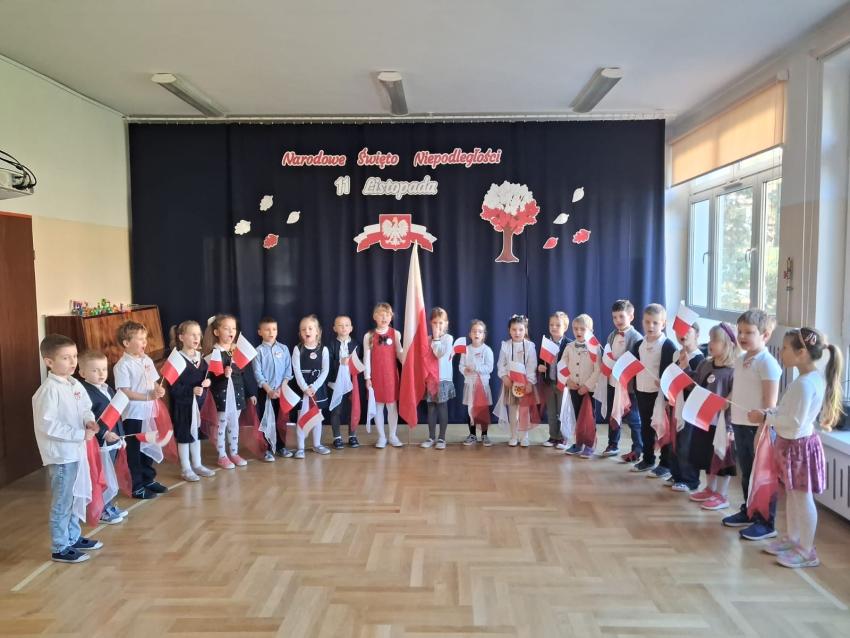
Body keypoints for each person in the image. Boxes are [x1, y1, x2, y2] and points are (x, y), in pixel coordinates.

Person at [748, 327, 842, 568]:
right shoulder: (804, 380)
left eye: (786, 348)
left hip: (798, 448)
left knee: (802, 497)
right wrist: (770, 412)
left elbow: (795, 421)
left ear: (802, 353)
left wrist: (765, 418)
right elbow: (788, 410)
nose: (781, 352)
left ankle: (807, 550)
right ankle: (793, 539)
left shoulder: (806, 384)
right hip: (791, 445)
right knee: (791, 494)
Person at [32, 334, 103, 563]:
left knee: (73, 496)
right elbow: (48, 425)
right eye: (65, 358)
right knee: (63, 501)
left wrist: (89, 421)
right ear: (49, 362)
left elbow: (85, 408)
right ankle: (60, 547)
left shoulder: (74, 384)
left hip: (76, 452)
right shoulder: (48, 390)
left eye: (74, 356)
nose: (73, 361)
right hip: (62, 456)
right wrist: (79, 434)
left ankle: (72, 536)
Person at [722, 309, 781, 541]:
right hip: (739, 423)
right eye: (740, 332)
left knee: (762, 475)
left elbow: (770, 403)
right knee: (747, 472)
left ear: (765, 335)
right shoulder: (740, 359)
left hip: (758, 429)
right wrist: (727, 400)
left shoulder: (767, 363)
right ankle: (749, 510)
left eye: (749, 332)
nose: (742, 336)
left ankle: (766, 522)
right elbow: (738, 388)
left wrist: (762, 431)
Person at [113, 321, 168, 498]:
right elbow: (125, 392)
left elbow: (153, 382)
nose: (144, 342)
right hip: (133, 415)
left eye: (145, 338)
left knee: (148, 444)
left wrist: (158, 390)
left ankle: (148, 479)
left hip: (149, 412)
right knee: (134, 450)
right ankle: (136, 486)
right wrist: (146, 397)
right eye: (140, 339)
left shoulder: (147, 360)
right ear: (126, 343)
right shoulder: (122, 365)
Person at [688, 322, 739, 511]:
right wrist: (684, 373)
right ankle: (709, 488)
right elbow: (696, 382)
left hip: (723, 424)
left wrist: (730, 427)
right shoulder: (705, 364)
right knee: (707, 456)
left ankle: (721, 494)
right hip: (705, 420)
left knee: (721, 459)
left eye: (715, 340)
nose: (710, 343)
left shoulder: (733, 371)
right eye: (710, 339)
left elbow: (735, 400)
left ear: (728, 344)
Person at [78, 350, 129, 521]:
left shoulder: (108, 388)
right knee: (100, 476)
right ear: (82, 373)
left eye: (104, 369)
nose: (101, 374)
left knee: (109, 475)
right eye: (95, 370)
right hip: (99, 443)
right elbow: (88, 419)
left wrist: (121, 435)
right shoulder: (85, 393)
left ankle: (107, 505)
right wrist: (104, 433)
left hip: (113, 440)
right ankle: (99, 510)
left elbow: (115, 415)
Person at [204, 314, 256, 469]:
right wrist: (223, 374)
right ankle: (222, 456)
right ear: (216, 332)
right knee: (221, 426)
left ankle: (234, 453)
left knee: (234, 425)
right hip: (222, 396)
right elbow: (210, 377)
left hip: (237, 395)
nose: (231, 331)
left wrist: (250, 393)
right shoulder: (214, 353)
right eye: (226, 328)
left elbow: (243, 374)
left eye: (233, 328)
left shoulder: (236, 351)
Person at [630, 304, 678, 475]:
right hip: (642, 391)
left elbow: (673, 372)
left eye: (655, 323)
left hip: (660, 396)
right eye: (647, 322)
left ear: (663, 324)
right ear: (642, 321)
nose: (650, 326)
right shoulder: (639, 345)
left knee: (662, 427)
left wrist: (665, 387)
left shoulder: (668, 346)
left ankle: (666, 463)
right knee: (646, 427)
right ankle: (648, 459)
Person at [168, 320, 215, 479]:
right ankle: (186, 468)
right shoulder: (176, 360)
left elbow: (205, 378)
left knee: (196, 435)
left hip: (198, 406)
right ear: (181, 337)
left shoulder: (201, 357)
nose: (196, 338)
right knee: (184, 436)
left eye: (198, 334)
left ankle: (197, 464)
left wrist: (208, 383)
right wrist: (191, 391)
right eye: (192, 334)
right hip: (183, 406)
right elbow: (174, 388)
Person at [667, 322, 705, 492]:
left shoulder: (699, 359)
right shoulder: (677, 354)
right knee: (675, 442)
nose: (683, 334)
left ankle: (690, 479)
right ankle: (676, 474)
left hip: (690, 409)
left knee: (687, 444)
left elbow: (697, 385)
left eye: (687, 331)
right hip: (677, 405)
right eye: (679, 331)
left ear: (697, 334)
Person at [604, 300, 643, 461]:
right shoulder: (612, 335)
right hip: (613, 383)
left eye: (621, 316)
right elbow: (608, 354)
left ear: (631, 316)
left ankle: (638, 448)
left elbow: (636, 363)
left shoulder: (636, 337)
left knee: (633, 418)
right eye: (614, 317)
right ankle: (613, 444)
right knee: (613, 415)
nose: (618, 320)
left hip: (628, 387)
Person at [251, 316, 294, 459]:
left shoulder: (284, 348)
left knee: (281, 420)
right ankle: (267, 449)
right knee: (266, 420)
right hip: (266, 392)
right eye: (267, 329)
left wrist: (282, 387)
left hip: (282, 391)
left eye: (274, 329)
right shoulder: (258, 351)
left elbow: (288, 370)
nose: (271, 332)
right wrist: (269, 390)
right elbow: (258, 373)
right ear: (260, 332)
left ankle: (281, 446)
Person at [560, 314, 602, 459]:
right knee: (577, 416)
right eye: (576, 328)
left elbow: (598, 370)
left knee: (589, 417)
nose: (578, 331)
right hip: (574, 388)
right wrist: (567, 381)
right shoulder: (569, 347)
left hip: (588, 390)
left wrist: (587, 386)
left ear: (591, 330)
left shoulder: (595, 348)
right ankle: (578, 443)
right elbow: (562, 365)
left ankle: (589, 444)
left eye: (582, 329)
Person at [363, 303, 403, 449]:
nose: (384, 317)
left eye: (387, 314)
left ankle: (392, 435)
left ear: (391, 317)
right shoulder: (369, 336)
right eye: (381, 314)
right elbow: (366, 358)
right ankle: (381, 436)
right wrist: (367, 377)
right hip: (376, 377)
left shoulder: (395, 334)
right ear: (375, 317)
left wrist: (409, 360)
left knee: (392, 406)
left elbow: (400, 353)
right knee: (378, 406)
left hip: (391, 377)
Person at [292, 314, 331, 458]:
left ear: (317, 332)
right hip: (301, 388)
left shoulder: (324, 350)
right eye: (303, 329)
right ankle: (300, 448)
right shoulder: (297, 349)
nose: (306, 331)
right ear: (300, 333)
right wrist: (304, 388)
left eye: (310, 328)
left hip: (317, 389)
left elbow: (325, 371)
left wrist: (314, 387)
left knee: (317, 417)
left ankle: (317, 444)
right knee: (301, 417)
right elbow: (296, 371)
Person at [496, 315, 538, 447]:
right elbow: (501, 364)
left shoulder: (530, 346)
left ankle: (524, 436)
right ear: (509, 330)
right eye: (514, 329)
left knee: (524, 411)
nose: (517, 333)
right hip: (511, 383)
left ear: (525, 330)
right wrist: (504, 376)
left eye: (520, 329)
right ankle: (513, 436)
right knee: (513, 411)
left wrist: (530, 382)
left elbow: (532, 365)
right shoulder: (505, 346)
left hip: (525, 384)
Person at [420, 307, 455, 450]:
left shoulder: (448, 338)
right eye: (435, 323)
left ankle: (442, 438)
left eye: (441, 323)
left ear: (446, 323)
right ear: (430, 323)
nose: (438, 326)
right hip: (431, 379)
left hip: (442, 379)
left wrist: (436, 338)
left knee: (442, 407)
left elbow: (439, 353)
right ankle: (431, 436)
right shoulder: (428, 339)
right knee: (431, 408)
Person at [327, 315, 362, 449]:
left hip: (352, 383)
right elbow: (327, 364)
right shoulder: (330, 344)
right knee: (336, 410)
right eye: (340, 325)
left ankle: (352, 435)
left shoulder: (356, 344)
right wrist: (340, 362)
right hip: (336, 383)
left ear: (351, 328)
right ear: (334, 328)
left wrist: (352, 362)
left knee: (353, 409)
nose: (344, 328)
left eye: (347, 325)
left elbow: (360, 361)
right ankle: (337, 437)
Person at [460, 319, 494, 446]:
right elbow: (461, 366)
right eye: (474, 331)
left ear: (484, 335)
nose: (476, 334)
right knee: (470, 410)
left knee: (482, 410)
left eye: (480, 331)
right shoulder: (466, 349)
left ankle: (484, 435)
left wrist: (475, 368)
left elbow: (489, 368)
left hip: (483, 386)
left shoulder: (487, 350)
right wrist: (465, 370)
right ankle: (472, 434)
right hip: (470, 384)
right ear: (470, 334)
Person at [538, 311, 570, 447]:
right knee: (551, 412)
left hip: (563, 384)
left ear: (565, 327)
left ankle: (563, 437)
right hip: (549, 382)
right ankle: (553, 436)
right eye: (551, 325)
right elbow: (541, 361)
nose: (554, 327)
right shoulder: (545, 343)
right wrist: (540, 367)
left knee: (562, 412)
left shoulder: (569, 344)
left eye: (558, 325)